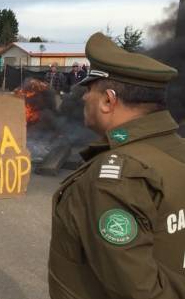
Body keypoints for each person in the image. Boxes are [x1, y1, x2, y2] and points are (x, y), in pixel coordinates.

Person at [48, 32, 185, 299]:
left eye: (89, 89)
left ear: (108, 100)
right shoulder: (175, 148)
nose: (84, 98)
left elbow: (139, 292)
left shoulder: (115, 177)